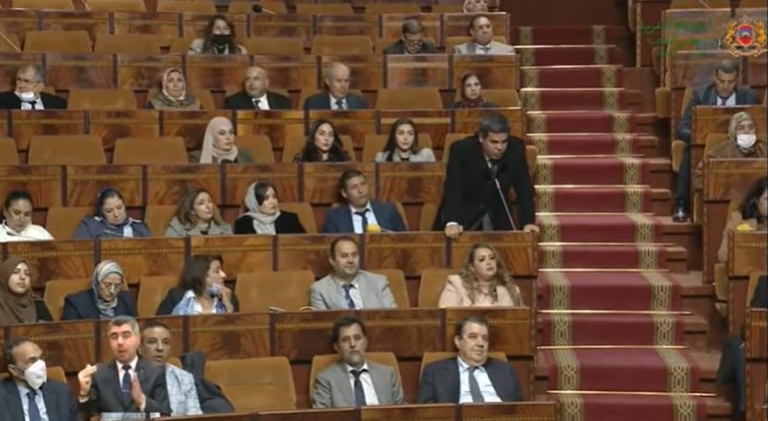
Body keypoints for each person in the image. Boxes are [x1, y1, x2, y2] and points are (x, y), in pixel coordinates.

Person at [673, 59, 761, 222]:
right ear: (715, 78)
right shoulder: (700, 95)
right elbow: (682, 129)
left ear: (737, 80)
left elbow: (759, 126)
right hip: (706, 146)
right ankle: (681, 204)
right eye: (722, 81)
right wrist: (699, 137)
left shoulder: (749, 96)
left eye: (731, 82)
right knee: (689, 151)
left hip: (740, 146)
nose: (726, 86)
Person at [433, 112, 537, 237]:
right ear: (481, 138)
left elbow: (524, 188)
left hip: (498, 216)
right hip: (466, 215)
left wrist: (527, 222)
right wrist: (452, 222)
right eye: (494, 142)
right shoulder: (462, 150)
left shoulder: (515, 149)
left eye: (504, 142)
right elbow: (453, 187)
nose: (500, 148)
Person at [77, 316, 171, 418]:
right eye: (114, 337)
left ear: (138, 340)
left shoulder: (155, 372)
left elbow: (165, 414)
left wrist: (142, 401)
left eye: (126, 336)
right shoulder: (99, 373)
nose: (120, 342)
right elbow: (85, 417)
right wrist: (84, 394)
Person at [417, 316, 522, 403]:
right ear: (458, 341)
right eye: (473, 337)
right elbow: (426, 413)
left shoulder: (504, 370)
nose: (481, 343)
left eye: (485, 338)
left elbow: (520, 409)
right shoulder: (435, 372)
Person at [313, 316, 405, 408]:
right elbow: (321, 414)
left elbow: (402, 412)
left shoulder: (387, 375)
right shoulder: (326, 379)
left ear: (365, 342)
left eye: (357, 338)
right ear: (337, 347)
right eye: (345, 340)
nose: (352, 344)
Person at [309, 237, 398, 310]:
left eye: (354, 255)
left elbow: (393, 318)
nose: (351, 260)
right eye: (344, 256)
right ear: (332, 261)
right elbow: (324, 324)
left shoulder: (378, 282)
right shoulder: (320, 290)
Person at [1, 338, 78, 421]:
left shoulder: (61, 392)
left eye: (41, 358)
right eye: (32, 361)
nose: (40, 365)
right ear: (14, 370)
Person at [140, 322, 203, 416]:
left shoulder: (185, 378)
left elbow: (194, 416)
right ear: (139, 347)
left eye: (166, 342)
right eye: (152, 342)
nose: (160, 348)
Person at [693, 112, 766, 192]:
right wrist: (724, 184)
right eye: (741, 128)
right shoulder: (719, 152)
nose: (747, 131)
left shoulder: (763, 149)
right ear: (734, 131)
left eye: (751, 127)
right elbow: (697, 178)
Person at [438, 243, 524, 307]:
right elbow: (447, 316)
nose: (489, 262)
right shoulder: (457, 285)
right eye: (482, 260)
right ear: (472, 267)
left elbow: (521, 319)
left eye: (492, 258)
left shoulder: (510, 288)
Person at [322, 170, 406, 233]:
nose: (361, 190)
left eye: (363, 184)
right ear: (344, 193)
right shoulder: (335, 217)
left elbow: (404, 240)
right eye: (354, 187)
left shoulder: (388, 211)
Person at [156, 255, 238, 316]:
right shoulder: (177, 296)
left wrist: (229, 307)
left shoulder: (229, 298)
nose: (223, 275)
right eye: (217, 271)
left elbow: (235, 331)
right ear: (201, 275)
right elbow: (159, 324)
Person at [61, 260, 136, 321]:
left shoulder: (126, 300)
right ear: (96, 283)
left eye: (117, 286)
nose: (112, 291)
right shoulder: (76, 303)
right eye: (107, 285)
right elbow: (70, 332)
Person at [717, 176, 767, 263]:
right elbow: (723, 255)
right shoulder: (738, 219)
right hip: (748, 268)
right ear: (756, 200)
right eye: (767, 199)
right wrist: (747, 231)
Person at [73, 188, 151, 239]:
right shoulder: (89, 226)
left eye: (119, 207)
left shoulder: (138, 227)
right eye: (109, 211)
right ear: (102, 212)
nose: (116, 214)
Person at [233, 180, 306, 235]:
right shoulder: (243, 223)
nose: (272, 202)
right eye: (266, 198)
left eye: (274, 197)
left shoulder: (290, 219)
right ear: (255, 202)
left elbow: (305, 245)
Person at [0, 258, 52, 326]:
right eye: (16, 272)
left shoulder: (38, 305)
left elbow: (54, 330)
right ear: (5, 276)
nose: (23, 277)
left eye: (27, 274)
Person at [164, 188, 233, 237]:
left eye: (209, 201)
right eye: (201, 203)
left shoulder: (224, 229)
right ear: (192, 210)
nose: (208, 206)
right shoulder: (177, 228)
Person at [303, 62, 368, 110]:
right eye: (339, 81)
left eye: (346, 81)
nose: (343, 86)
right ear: (328, 81)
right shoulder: (313, 103)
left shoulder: (359, 103)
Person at [189, 116, 254, 164]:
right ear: (212, 136)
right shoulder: (197, 157)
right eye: (222, 133)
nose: (228, 137)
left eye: (231, 133)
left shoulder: (244, 155)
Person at [0, 64, 67, 110]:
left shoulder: (58, 104)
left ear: (40, 86)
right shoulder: (2, 101)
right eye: (19, 80)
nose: (21, 85)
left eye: (27, 81)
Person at [223, 66, 292, 110]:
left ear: (266, 83)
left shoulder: (282, 102)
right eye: (247, 79)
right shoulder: (233, 102)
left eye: (256, 79)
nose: (251, 83)